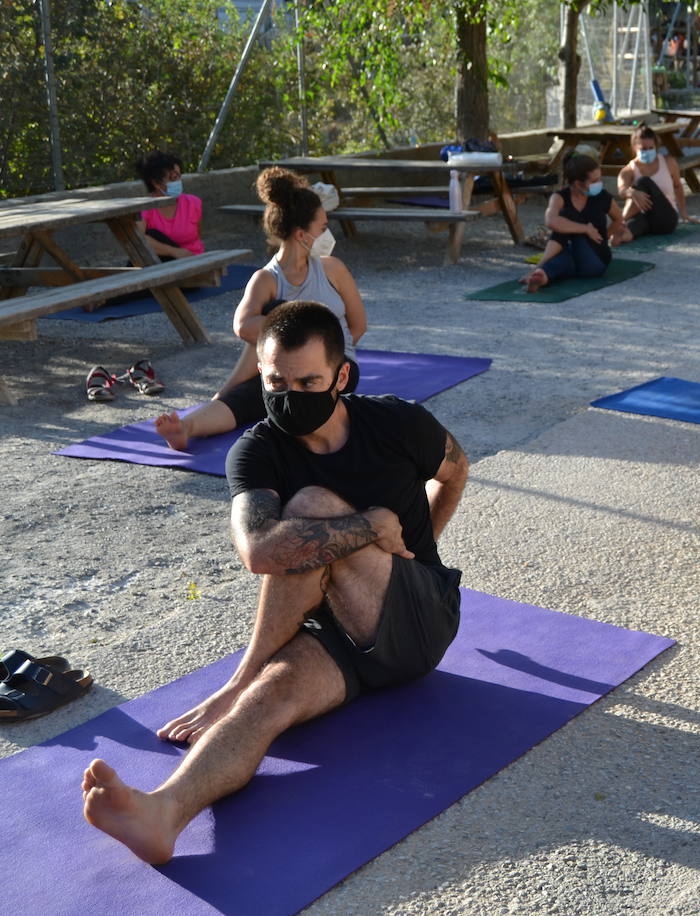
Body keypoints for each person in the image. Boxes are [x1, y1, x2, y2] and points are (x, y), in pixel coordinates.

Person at [83, 301, 470, 863]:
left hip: (421, 621)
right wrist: (372, 526)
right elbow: (259, 552)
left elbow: (455, 472)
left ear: (341, 376)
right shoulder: (258, 449)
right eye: (276, 383)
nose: (291, 396)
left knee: (310, 506)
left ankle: (240, 677)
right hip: (341, 635)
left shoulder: (398, 423)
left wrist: (416, 550)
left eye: (308, 382)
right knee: (266, 701)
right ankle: (165, 813)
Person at [154, 168, 366, 452]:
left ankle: (227, 393)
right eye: (322, 227)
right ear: (302, 234)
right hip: (283, 369)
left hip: (330, 367)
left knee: (283, 323)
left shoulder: (332, 269)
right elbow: (243, 327)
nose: (326, 234)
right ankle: (187, 427)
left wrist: (323, 354)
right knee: (258, 388)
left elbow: (358, 326)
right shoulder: (267, 279)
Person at [520, 155, 625, 293]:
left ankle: (539, 266)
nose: (599, 183)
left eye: (599, 179)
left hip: (596, 258)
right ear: (577, 183)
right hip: (572, 254)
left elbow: (619, 219)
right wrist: (585, 229)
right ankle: (541, 277)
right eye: (594, 181)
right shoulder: (560, 197)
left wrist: (604, 237)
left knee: (566, 217)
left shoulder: (603, 197)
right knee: (562, 258)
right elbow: (550, 221)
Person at [613, 126, 694, 244]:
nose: (647, 151)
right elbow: (621, 190)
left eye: (651, 148)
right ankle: (622, 234)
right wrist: (632, 192)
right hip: (644, 216)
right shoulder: (628, 170)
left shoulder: (668, 162)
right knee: (630, 226)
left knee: (643, 182)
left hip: (665, 218)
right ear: (634, 147)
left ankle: (621, 220)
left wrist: (683, 212)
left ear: (656, 147)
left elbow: (677, 186)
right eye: (643, 148)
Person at [133, 150, 203, 262]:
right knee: (152, 235)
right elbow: (137, 240)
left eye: (179, 176)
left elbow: (198, 236)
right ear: (156, 183)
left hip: (193, 259)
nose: (178, 181)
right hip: (162, 262)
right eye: (173, 178)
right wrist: (174, 251)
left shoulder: (193, 203)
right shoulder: (145, 208)